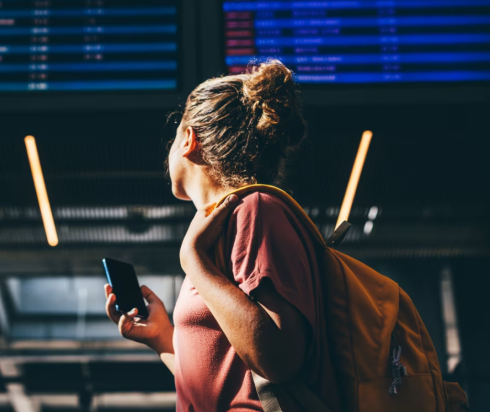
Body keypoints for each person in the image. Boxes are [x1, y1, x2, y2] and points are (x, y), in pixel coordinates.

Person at [103, 60, 340, 412]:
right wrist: (162, 340)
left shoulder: (255, 210)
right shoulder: (222, 231)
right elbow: (221, 381)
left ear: (188, 140)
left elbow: (279, 360)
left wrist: (194, 262)